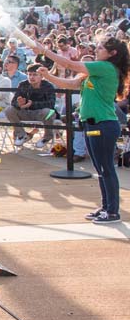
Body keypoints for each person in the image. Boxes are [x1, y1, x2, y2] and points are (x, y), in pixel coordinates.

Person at [30, 35, 129, 223]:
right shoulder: (96, 70)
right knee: (100, 169)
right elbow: (69, 84)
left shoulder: (106, 67)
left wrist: (45, 51)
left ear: (112, 53)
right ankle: (106, 207)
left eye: (100, 48)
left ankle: (113, 211)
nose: (96, 50)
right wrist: (48, 76)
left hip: (103, 124)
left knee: (106, 168)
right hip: (93, 124)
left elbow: (70, 64)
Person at [4, 65, 57, 148]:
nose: (32, 77)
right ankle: (21, 134)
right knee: (9, 110)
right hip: (25, 112)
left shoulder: (48, 86)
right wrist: (19, 104)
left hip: (41, 113)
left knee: (49, 112)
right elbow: (14, 102)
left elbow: (51, 103)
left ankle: (47, 137)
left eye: (35, 75)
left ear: (41, 76)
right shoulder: (23, 84)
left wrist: (32, 104)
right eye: (30, 74)